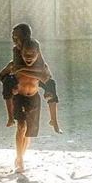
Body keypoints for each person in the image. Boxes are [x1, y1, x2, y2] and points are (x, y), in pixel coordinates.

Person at [0, 23, 62, 134]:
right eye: (13, 38)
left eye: (17, 39)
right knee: (7, 81)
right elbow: (15, 67)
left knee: (51, 84)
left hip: (37, 77)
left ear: (26, 38)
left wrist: (21, 70)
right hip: (21, 81)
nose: (14, 41)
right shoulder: (16, 50)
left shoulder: (34, 47)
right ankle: (10, 117)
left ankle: (54, 120)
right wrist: (13, 82)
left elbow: (41, 68)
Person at [10, 38, 56, 173]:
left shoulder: (43, 68)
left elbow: (49, 82)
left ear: (38, 54)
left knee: (28, 132)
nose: (28, 58)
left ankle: (20, 157)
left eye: (32, 54)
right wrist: (11, 88)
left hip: (34, 99)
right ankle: (20, 160)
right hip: (19, 98)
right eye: (26, 54)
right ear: (21, 53)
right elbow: (3, 77)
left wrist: (49, 93)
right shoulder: (15, 66)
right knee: (21, 127)